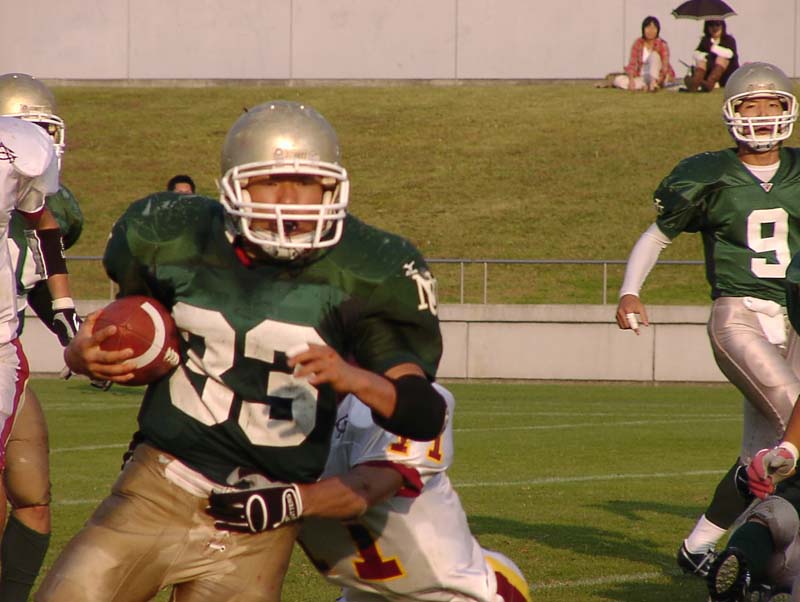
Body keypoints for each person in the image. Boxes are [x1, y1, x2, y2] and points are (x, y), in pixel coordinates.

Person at [35, 100, 447, 602]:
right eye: (269, 182)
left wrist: (353, 377)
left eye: (306, 182)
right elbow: (134, 325)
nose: (289, 200)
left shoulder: (369, 268)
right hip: (159, 485)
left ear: (331, 187)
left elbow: (423, 414)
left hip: (262, 520)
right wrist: (83, 355)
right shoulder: (174, 232)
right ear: (234, 187)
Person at [615, 62, 800, 581]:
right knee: (797, 423)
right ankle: (768, 551)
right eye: (751, 105)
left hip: (796, 317)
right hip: (739, 315)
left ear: (787, 110)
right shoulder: (708, 174)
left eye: (771, 104)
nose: (762, 115)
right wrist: (630, 290)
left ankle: (697, 546)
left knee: (761, 454)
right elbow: (658, 236)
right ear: (732, 113)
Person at [207, 384, 532, 602]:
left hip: (457, 594)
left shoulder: (406, 404)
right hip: (368, 594)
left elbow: (367, 488)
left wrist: (288, 502)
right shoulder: (279, 408)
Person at [0, 71, 87, 602]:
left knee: (33, 497)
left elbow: (32, 279)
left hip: (7, 350)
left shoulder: (45, 205)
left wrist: (69, 327)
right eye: (33, 130)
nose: (46, 143)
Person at [610, 16, 675, 92]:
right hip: (643, 76)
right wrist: (631, 80)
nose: (650, 31)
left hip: (658, 76)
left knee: (654, 55)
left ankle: (652, 84)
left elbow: (664, 67)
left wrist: (660, 80)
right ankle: (646, 86)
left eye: (653, 28)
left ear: (658, 30)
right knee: (618, 80)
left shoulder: (662, 44)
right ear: (643, 29)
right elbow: (632, 64)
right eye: (648, 28)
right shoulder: (638, 43)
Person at [682, 19, 739, 93]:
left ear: (722, 26)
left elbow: (729, 54)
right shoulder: (705, 40)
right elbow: (696, 54)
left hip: (727, 76)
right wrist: (704, 56)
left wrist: (712, 47)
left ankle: (710, 83)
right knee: (701, 61)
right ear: (707, 27)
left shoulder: (729, 40)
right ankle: (695, 83)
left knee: (721, 59)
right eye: (711, 25)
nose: (714, 28)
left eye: (717, 25)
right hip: (708, 73)